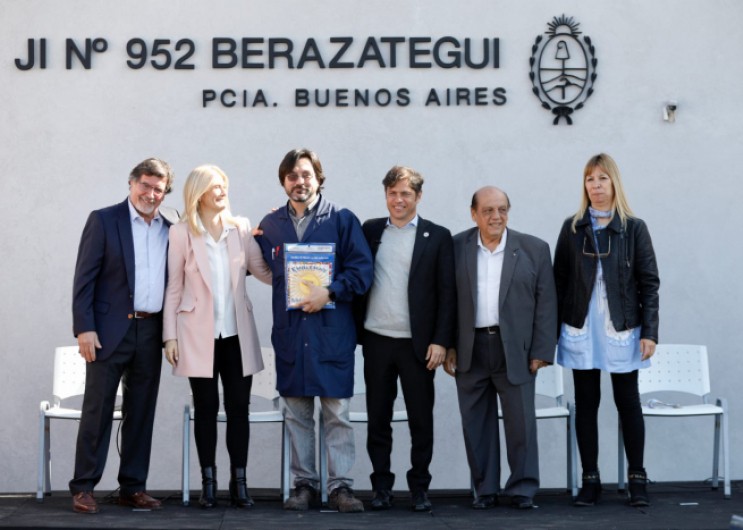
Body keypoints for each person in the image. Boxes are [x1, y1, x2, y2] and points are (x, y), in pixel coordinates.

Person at [255, 148, 373, 513]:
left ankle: (341, 488)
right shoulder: (270, 225)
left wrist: (330, 291)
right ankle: (304, 485)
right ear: (283, 181)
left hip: (331, 335)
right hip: (291, 336)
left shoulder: (341, 219)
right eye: (292, 176)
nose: (299, 181)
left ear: (319, 178)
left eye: (306, 174)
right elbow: (254, 265)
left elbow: (362, 272)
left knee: (337, 416)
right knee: (297, 416)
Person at [70, 158, 178, 514]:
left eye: (158, 189)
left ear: (165, 193)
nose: (151, 194)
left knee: (141, 410)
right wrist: (84, 327)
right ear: (132, 183)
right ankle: (84, 487)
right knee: (98, 409)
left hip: (150, 330)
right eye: (145, 185)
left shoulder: (172, 225)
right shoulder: (103, 220)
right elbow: (84, 278)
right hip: (107, 331)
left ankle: (132, 487)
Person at [553, 153, 659, 507]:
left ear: (614, 182)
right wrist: (549, 335)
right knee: (586, 403)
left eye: (602, 178)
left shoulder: (634, 228)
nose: (595, 185)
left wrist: (650, 331)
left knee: (628, 401)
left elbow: (649, 283)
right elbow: (558, 281)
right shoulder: (573, 228)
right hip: (581, 325)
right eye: (589, 179)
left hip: (622, 325)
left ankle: (637, 479)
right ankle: (591, 480)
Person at [162, 165, 271, 509]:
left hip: (237, 334)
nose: (222, 191)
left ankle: (239, 483)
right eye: (215, 187)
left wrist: (278, 236)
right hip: (197, 335)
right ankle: (208, 484)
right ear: (198, 193)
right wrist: (169, 336)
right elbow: (174, 287)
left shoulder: (241, 228)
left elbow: (263, 272)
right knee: (206, 408)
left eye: (224, 185)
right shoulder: (181, 232)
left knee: (239, 408)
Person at [444, 186, 557, 510]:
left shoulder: (534, 249)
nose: (496, 217)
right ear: (474, 214)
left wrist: (541, 350)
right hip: (470, 348)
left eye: (502, 209)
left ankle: (522, 489)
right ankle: (486, 490)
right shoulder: (456, 247)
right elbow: (446, 300)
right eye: (488, 210)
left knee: (521, 424)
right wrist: (448, 345)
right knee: (476, 424)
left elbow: (546, 303)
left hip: (516, 350)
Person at [356, 166, 456, 512]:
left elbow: (447, 293)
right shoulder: (370, 230)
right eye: (392, 193)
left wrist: (441, 341)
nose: (398, 200)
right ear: (385, 195)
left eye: (405, 194)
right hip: (377, 341)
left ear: (418, 196)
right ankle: (381, 487)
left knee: (421, 420)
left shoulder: (437, 236)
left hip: (419, 346)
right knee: (378, 419)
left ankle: (419, 488)